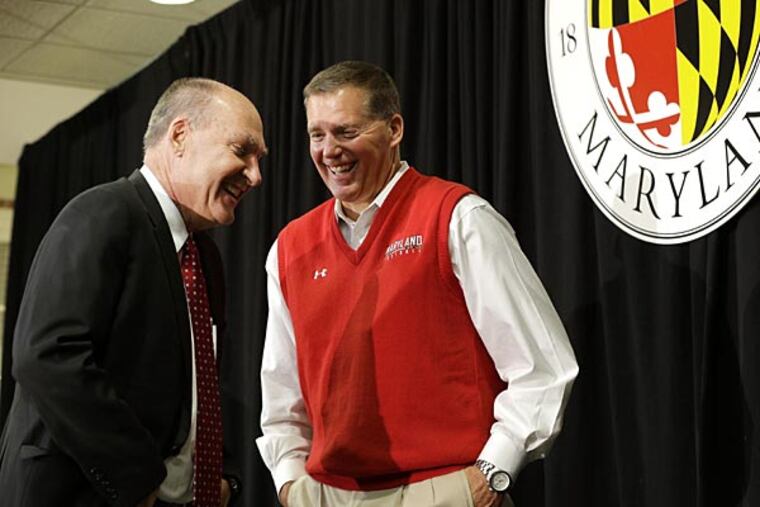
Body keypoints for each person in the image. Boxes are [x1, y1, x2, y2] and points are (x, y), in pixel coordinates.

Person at [257, 60, 579, 507]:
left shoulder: (458, 218)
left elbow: (543, 367)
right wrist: (291, 484)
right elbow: (282, 395)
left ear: (394, 129)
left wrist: (490, 476)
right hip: (326, 493)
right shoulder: (290, 248)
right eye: (317, 134)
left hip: (443, 488)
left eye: (346, 132)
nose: (329, 150)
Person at [0, 77, 267, 507]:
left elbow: (200, 386)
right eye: (242, 151)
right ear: (180, 135)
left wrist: (223, 477)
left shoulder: (205, 259)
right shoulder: (103, 213)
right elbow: (47, 357)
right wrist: (136, 478)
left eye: (260, 159)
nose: (255, 175)